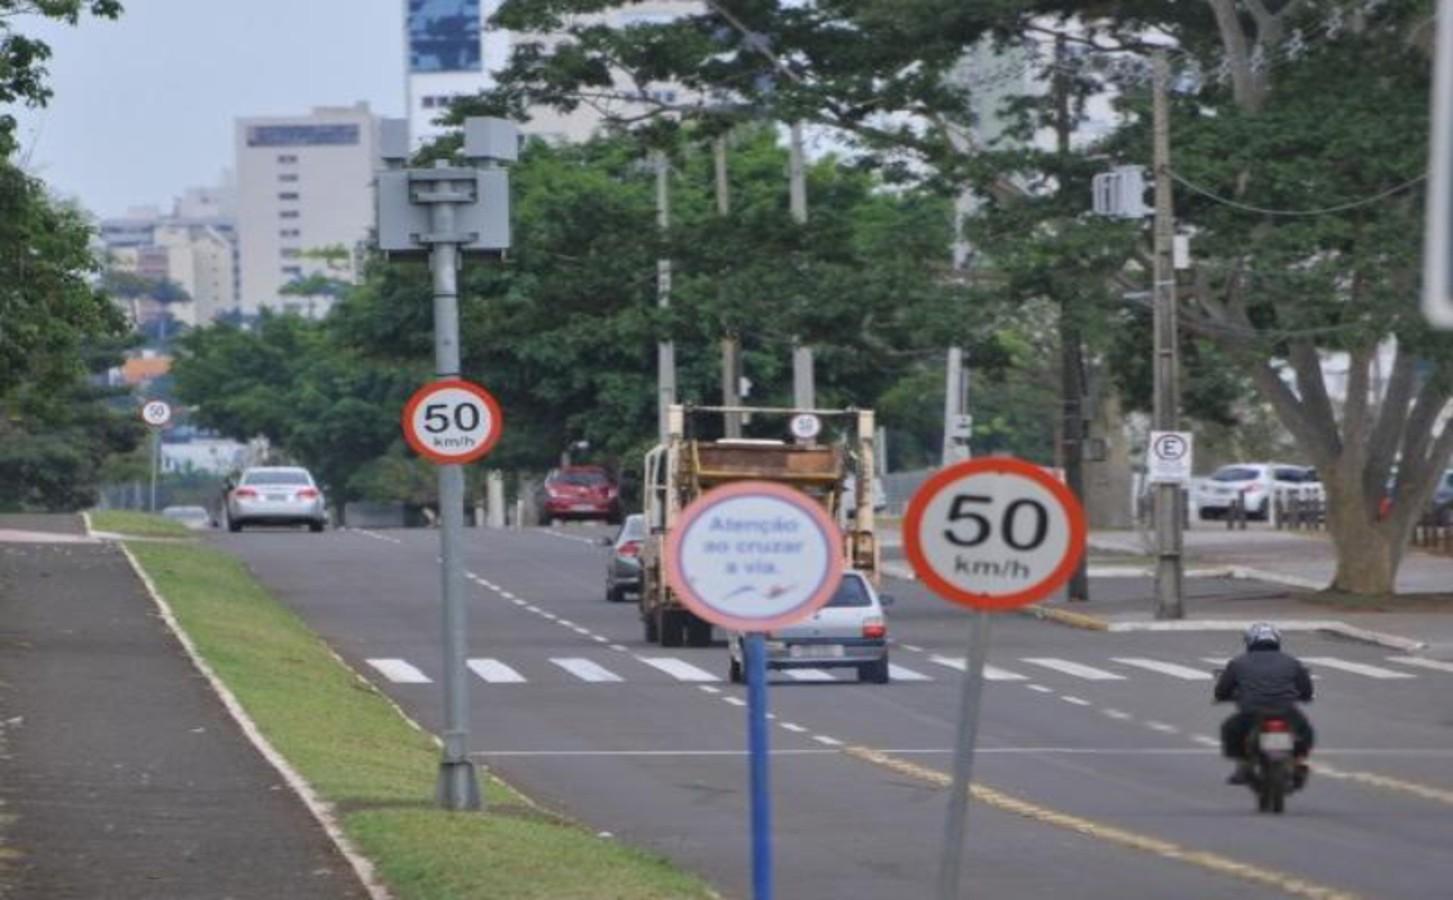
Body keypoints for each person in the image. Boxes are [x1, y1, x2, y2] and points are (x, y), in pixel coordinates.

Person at [1213, 622, 1315, 786]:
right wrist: (1303, 696)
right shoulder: (1291, 661)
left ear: (1250, 642)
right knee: (1305, 731)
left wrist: (1225, 697)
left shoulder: (1238, 662)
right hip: (1285, 710)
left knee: (1229, 729)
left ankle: (1244, 764)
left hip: (1252, 712)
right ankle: (1298, 761)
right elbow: (1306, 690)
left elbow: (1222, 690)